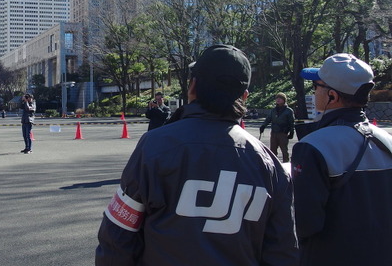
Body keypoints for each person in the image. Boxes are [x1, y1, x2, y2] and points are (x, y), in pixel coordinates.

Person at [96, 45, 298, 265]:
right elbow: (283, 251)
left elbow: (119, 234)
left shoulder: (155, 146)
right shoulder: (269, 164)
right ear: (245, 96)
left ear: (193, 87)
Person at [292, 53, 392, 265]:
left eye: (315, 87)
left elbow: (305, 223)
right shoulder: (387, 140)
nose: (314, 92)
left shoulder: (312, 146)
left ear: (332, 96)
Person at [259, 92, 295, 162]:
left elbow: (292, 122)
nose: (278, 100)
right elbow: (268, 119)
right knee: (272, 150)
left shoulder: (289, 111)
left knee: (284, 150)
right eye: (277, 98)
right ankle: (274, 164)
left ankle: (286, 163)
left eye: (280, 98)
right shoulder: (273, 110)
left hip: (283, 133)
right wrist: (263, 126)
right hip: (274, 133)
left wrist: (292, 131)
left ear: (284, 100)